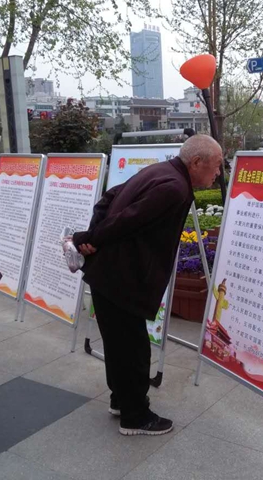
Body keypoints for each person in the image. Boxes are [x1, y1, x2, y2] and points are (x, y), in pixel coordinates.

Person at [72, 134, 223, 436]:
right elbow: (127, 220)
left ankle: (121, 401)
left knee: (119, 346)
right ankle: (135, 417)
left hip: (110, 275)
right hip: (124, 278)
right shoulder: (174, 188)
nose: (218, 173)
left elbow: (110, 197)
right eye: (217, 166)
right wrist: (88, 238)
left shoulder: (159, 171)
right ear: (196, 162)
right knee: (133, 351)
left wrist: (92, 234)